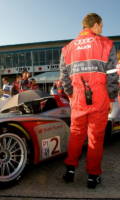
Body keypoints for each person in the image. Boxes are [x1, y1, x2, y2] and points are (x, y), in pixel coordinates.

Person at [60, 13, 119, 189]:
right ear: (96, 24)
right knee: (95, 138)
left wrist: (71, 96)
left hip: (78, 97)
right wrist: (111, 97)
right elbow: (112, 77)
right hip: (99, 96)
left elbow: (64, 78)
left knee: (76, 134)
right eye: (101, 25)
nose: (102, 29)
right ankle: (93, 176)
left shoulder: (67, 48)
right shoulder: (107, 44)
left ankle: (70, 170)